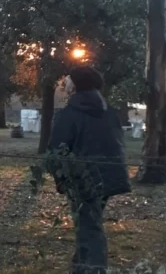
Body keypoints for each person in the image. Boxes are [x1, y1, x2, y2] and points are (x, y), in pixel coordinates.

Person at [47, 66, 131, 274]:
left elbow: (56, 150)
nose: (64, 85)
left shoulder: (69, 113)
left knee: (89, 227)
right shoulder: (108, 111)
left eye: (67, 81)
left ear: (76, 85)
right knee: (88, 222)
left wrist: (58, 174)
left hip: (83, 178)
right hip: (108, 176)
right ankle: (80, 266)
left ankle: (94, 269)